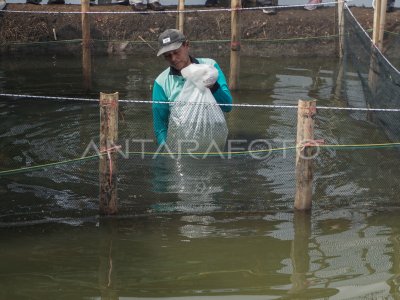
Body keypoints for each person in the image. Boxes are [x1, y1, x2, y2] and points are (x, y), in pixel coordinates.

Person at [152, 29, 232, 146]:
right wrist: (167, 151)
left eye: (176, 52)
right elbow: (160, 127)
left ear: (187, 45)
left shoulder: (209, 67)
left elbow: (228, 107)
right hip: (182, 144)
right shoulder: (161, 82)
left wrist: (214, 87)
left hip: (213, 142)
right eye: (167, 56)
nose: (173, 59)